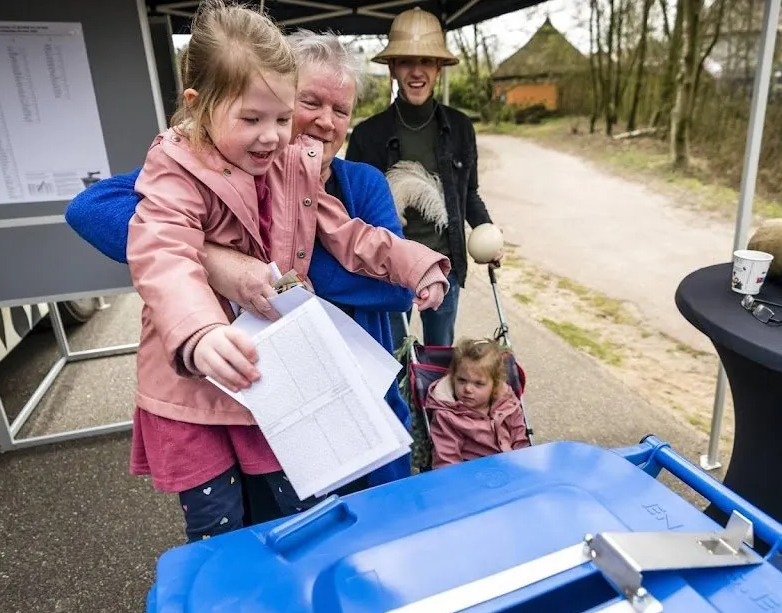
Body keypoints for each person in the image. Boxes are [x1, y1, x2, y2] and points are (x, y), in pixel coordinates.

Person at [123, 0, 450, 543]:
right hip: (197, 384)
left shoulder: (293, 165)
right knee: (220, 532)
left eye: (279, 119)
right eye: (255, 118)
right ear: (197, 106)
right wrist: (200, 329)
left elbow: (352, 235)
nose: (273, 135)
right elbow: (161, 249)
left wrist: (419, 266)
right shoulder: (176, 168)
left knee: (299, 516)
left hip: (270, 378)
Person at [64, 29, 417, 504]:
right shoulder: (214, 169)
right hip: (263, 396)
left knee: (372, 526)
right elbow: (92, 209)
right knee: (274, 526)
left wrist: (272, 273)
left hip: (353, 394)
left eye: (341, 110)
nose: (325, 122)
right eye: (310, 102)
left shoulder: (362, 183)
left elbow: (395, 289)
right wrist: (214, 260)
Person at [346, 7, 500, 349]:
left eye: (427, 62)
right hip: (388, 272)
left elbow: (468, 195)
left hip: (443, 267)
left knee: (439, 357)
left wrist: (488, 232)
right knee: (392, 359)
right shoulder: (367, 136)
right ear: (392, 68)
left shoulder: (460, 128)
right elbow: (351, 211)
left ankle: (433, 407)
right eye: (406, 62)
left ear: (439, 68)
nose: (417, 72)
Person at [426, 338, 530, 469]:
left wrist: (524, 467)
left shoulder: (508, 404)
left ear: (495, 385)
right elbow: (446, 460)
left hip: (511, 468)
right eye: (462, 380)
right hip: (471, 476)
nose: (468, 389)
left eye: (478, 384)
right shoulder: (447, 416)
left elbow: (520, 441)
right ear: (453, 378)